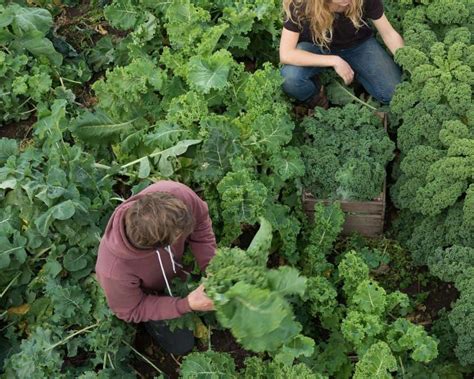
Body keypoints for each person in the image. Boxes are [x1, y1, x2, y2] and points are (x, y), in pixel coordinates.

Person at [95, 180, 216, 355]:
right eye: (179, 236)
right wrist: (185, 304)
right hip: (152, 296)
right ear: (158, 247)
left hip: (179, 269)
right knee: (181, 346)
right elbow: (132, 310)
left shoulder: (176, 194)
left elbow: (201, 223)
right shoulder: (114, 271)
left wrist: (210, 265)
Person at [280, 0, 404, 107]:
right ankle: (315, 96)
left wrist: (409, 62)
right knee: (289, 79)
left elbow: (389, 34)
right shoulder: (302, 3)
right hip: (316, 47)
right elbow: (286, 53)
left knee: (394, 94)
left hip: (359, 45)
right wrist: (334, 61)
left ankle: (358, 75)